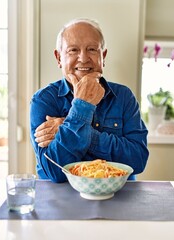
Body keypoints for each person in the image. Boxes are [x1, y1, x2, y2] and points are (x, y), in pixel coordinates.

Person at [29, 18, 149, 183]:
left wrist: (70, 128)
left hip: (117, 198)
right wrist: (82, 106)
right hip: (61, 200)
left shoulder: (124, 96)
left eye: (92, 49)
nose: (83, 58)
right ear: (58, 58)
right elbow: (54, 170)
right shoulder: (43, 100)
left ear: (103, 56)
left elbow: (138, 160)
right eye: (73, 50)